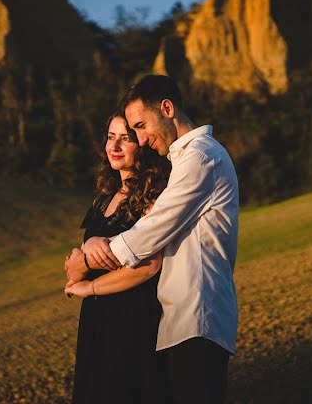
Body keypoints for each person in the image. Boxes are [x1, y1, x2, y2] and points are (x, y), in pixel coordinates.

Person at [67, 74, 240, 403]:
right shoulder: (186, 160)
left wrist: (87, 261)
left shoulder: (200, 158)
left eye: (141, 126)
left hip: (198, 316)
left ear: (167, 108)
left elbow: (152, 231)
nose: (142, 139)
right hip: (181, 320)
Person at [64, 111, 171, 403]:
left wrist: (89, 287)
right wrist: (82, 255)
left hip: (133, 319)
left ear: (142, 146)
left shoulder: (154, 198)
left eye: (126, 139)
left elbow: (148, 266)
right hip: (97, 318)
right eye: (111, 138)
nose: (115, 146)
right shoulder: (103, 199)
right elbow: (81, 261)